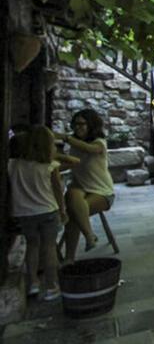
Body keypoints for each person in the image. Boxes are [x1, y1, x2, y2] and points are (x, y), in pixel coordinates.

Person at [8, 126, 73, 300]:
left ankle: (33, 284)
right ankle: (52, 286)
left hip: (24, 214)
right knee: (49, 248)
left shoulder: (13, 165)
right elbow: (58, 190)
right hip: (48, 211)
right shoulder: (50, 166)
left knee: (32, 246)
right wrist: (63, 210)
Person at [56, 109, 116, 262]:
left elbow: (90, 149)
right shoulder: (76, 146)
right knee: (71, 194)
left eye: (82, 124)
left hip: (102, 192)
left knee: (73, 214)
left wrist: (65, 138)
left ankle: (70, 257)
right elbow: (71, 163)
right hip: (81, 188)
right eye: (75, 124)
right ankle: (89, 236)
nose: (78, 128)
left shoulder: (99, 143)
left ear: (91, 125)